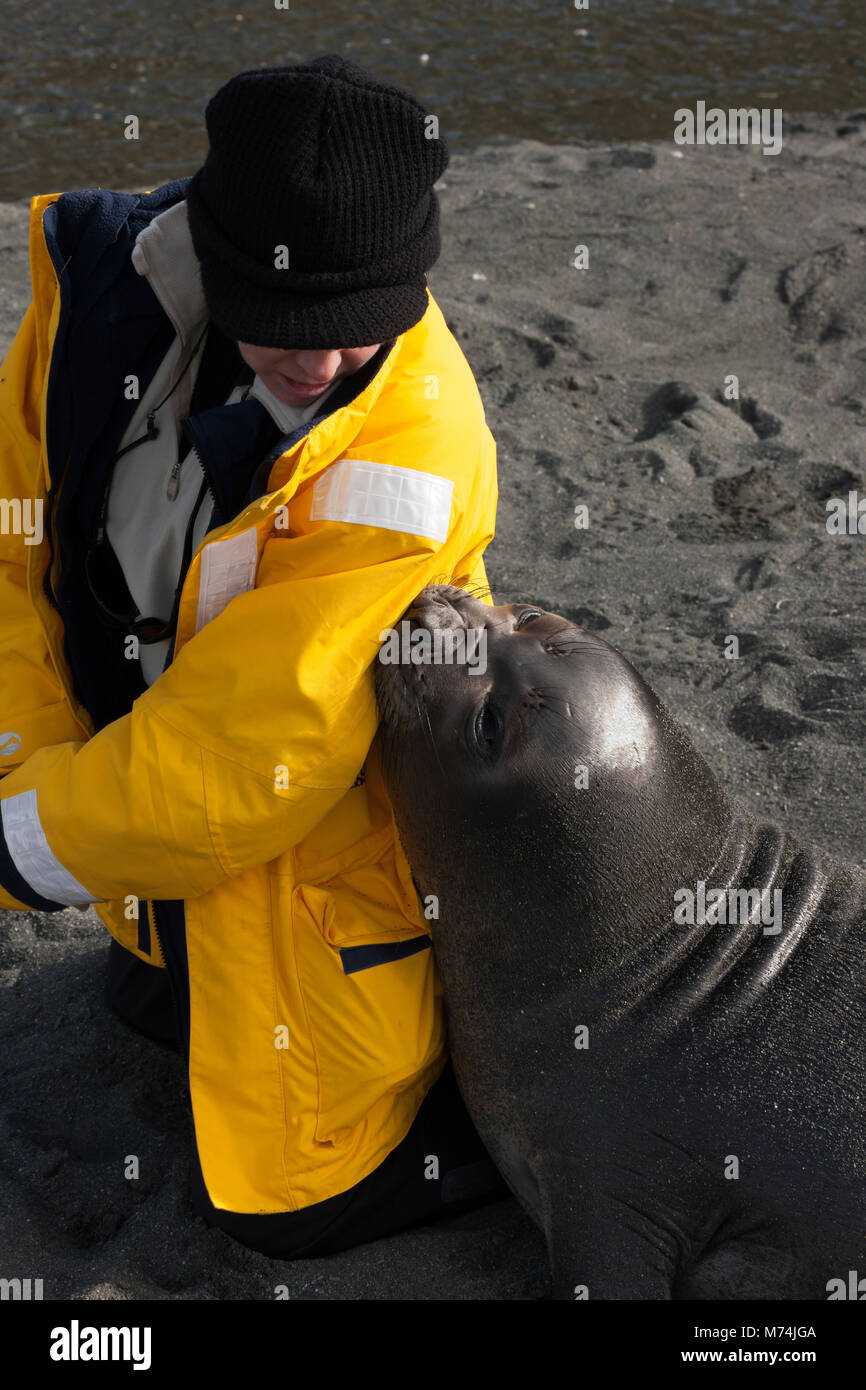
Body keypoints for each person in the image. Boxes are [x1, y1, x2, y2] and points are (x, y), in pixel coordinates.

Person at [0, 54, 506, 1256]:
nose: (320, 360)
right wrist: (29, 755)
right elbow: (14, 550)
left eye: (356, 325)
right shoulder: (92, 301)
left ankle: (488, 1108)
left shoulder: (413, 452)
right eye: (284, 323)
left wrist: (19, 840)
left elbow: (245, 764)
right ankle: (155, 932)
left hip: (307, 844)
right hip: (154, 822)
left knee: (299, 1199)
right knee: (145, 1001)